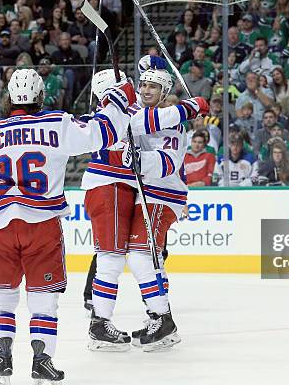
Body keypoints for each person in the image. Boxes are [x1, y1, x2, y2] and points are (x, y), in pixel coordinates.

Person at [0, 68, 136, 384]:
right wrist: (121, 98)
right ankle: (42, 361)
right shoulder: (57, 123)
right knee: (43, 298)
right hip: (42, 224)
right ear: (41, 96)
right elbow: (103, 132)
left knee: (0, 297)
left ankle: (1, 359)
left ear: (9, 98)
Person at [80, 59, 209, 352]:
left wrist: (137, 158)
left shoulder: (172, 124)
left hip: (162, 195)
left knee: (139, 258)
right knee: (142, 259)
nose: (146, 90)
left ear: (164, 93)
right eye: (143, 85)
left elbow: (168, 164)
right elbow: (132, 123)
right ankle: (158, 318)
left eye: (154, 86)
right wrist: (189, 107)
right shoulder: (134, 114)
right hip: (142, 194)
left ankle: (162, 320)